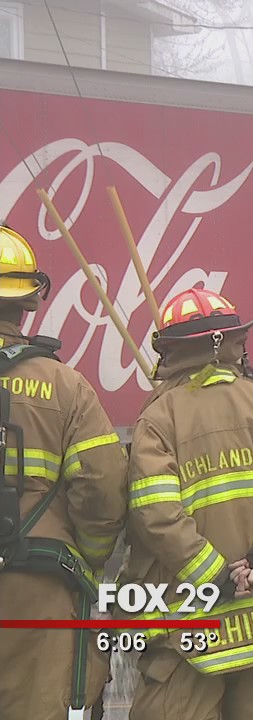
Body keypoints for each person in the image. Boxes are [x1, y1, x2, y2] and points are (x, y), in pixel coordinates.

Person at [120, 287, 253, 719]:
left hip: (193, 630)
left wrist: (213, 575)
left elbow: (155, 514)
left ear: (171, 351)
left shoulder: (157, 421)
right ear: (233, 344)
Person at [0, 225, 129, 720]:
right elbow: (102, 489)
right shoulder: (66, 387)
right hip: (41, 585)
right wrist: (88, 560)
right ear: (26, 305)